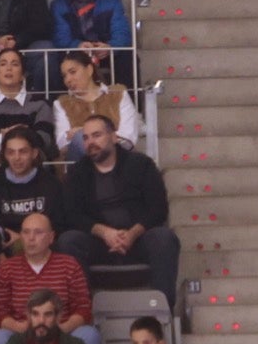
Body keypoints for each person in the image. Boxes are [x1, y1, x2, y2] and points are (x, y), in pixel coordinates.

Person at [60, 116, 180, 307]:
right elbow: (72, 214)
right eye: (86, 138)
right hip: (98, 243)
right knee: (69, 241)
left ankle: (162, 310)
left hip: (138, 239)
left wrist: (132, 233)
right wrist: (104, 232)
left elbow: (158, 209)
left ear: (114, 137)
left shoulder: (141, 165)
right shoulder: (77, 173)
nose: (91, 142)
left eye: (97, 135)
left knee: (164, 238)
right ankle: (81, 312)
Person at [0, 216, 101, 344]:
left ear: (51, 237)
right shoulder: (6, 268)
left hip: (63, 335)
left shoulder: (69, 265)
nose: (31, 238)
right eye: (26, 232)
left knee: (89, 335)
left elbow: (83, 308)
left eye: (38, 232)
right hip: (23, 337)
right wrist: (21, 328)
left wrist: (61, 329)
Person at [51, 0, 134, 88]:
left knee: (127, 57)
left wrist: (110, 47)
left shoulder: (112, 0)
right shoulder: (59, 4)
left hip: (105, 54)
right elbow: (60, 37)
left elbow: (122, 33)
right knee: (55, 61)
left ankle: (127, 103)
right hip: (73, 54)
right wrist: (77, 46)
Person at [0, 56, 56, 170]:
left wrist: (12, 137)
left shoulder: (40, 103)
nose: (9, 68)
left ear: (23, 75)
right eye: (3, 64)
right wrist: (6, 138)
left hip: (34, 169)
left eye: (15, 64)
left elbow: (45, 141)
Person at [52, 50, 137, 165]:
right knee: (78, 139)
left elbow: (128, 137)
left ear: (89, 70)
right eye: (64, 76)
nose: (68, 80)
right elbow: (63, 144)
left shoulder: (118, 93)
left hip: (118, 159)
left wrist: (83, 132)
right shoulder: (62, 103)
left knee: (79, 136)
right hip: (81, 165)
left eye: (73, 72)